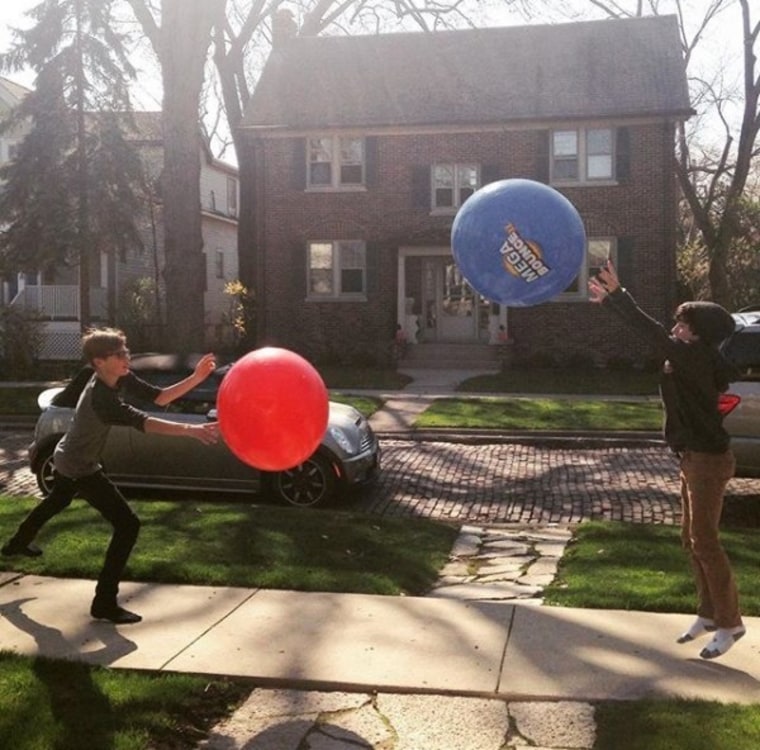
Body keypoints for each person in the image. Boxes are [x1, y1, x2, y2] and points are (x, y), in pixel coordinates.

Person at [1, 328, 219, 624]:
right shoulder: (101, 398)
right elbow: (145, 422)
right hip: (79, 466)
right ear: (99, 362)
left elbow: (160, 398)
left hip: (69, 458)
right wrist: (191, 431)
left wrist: (197, 378)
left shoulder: (119, 375)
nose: (126, 357)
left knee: (57, 501)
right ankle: (104, 602)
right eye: (119, 354)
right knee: (128, 525)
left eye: (125, 352)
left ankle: (16, 543)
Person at [589, 261, 744, 659]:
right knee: (691, 539)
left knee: (706, 542)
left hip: (707, 461)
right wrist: (614, 299)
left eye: (682, 325)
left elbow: (651, 332)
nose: (675, 328)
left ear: (698, 334)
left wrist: (617, 297)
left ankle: (730, 623)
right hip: (693, 458)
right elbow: (661, 339)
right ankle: (708, 614)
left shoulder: (697, 358)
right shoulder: (689, 357)